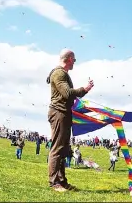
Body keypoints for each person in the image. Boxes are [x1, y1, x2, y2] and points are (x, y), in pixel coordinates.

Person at [46, 49, 94, 192]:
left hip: (64, 113)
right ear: (68, 58)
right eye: (74, 59)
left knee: (64, 149)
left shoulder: (64, 74)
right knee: (57, 148)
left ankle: (62, 181)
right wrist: (84, 89)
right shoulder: (59, 73)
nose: (75, 62)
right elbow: (67, 93)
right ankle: (54, 182)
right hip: (58, 113)